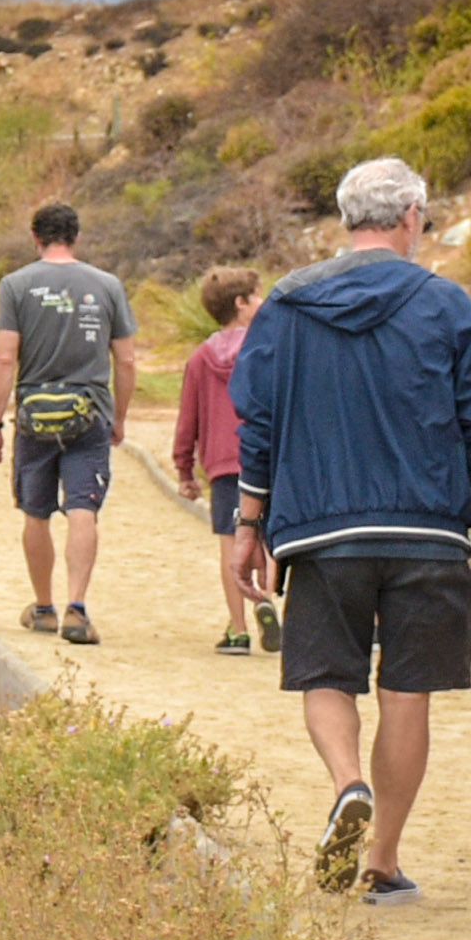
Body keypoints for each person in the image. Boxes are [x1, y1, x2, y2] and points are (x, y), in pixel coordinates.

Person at [233, 156, 471, 906]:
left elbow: (258, 423)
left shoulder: (286, 305)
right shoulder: (448, 304)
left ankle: (346, 783)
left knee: (325, 674)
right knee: (407, 692)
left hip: (321, 529)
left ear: (347, 218)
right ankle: (382, 858)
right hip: (429, 530)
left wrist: (247, 524)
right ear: (413, 216)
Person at [0, 201, 134, 646]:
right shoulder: (107, 285)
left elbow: (4, 357)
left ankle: (44, 606)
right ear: (76, 237)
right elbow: (125, 360)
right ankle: (77, 606)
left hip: (35, 415)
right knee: (82, 508)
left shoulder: (15, 286)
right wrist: (119, 417)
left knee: (36, 511)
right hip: (89, 412)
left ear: (35, 238)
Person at [170, 264, 274, 656]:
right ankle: (271, 602)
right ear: (241, 303)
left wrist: (184, 470)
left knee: (232, 545)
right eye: (258, 295)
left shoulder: (200, 358)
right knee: (272, 536)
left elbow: (188, 418)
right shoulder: (270, 349)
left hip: (224, 466)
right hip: (269, 458)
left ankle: (239, 628)